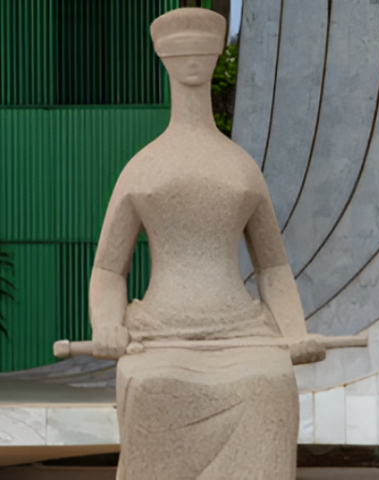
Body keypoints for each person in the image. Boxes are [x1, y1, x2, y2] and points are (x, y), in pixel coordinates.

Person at [88, 9, 325, 479]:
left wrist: (294, 332)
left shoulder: (241, 167)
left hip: (242, 332)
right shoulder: (142, 167)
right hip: (160, 335)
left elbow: (273, 267)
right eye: (180, 51)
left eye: (202, 50)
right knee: (153, 385)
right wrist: (108, 325)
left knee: (271, 383)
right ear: (164, 58)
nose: (192, 60)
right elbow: (109, 270)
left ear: (216, 57)